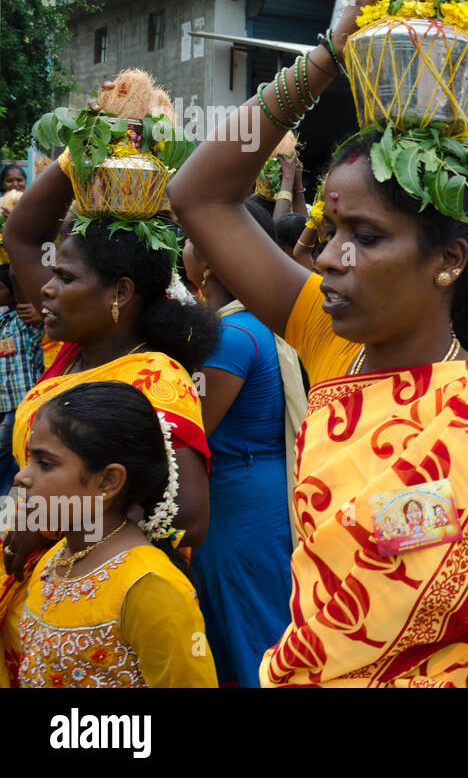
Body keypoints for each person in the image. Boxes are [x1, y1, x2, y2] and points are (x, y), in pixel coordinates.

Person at [168, 0, 468, 687]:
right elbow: (197, 194)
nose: (329, 257)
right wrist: (329, 55)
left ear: (449, 260)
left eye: (364, 235)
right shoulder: (331, 343)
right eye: (330, 229)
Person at [1, 155, 217, 687]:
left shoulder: (154, 377)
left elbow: (189, 515)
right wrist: (83, 149)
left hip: (103, 598)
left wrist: (45, 527)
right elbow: (21, 235)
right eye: (50, 274)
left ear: (119, 293)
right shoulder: (69, 350)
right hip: (45, 580)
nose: (45, 288)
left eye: (65, 277)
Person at [13, 381, 218, 687]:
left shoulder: (149, 585)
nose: (22, 476)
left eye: (44, 463)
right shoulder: (54, 560)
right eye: (29, 459)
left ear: (108, 481)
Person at [181, 203, 306, 688]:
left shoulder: (230, 337)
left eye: (190, 241)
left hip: (238, 505)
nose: (183, 251)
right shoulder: (255, 322)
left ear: (211, 261)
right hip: (263, 491)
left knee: (248, 633)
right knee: (263, 624)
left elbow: (195, 429)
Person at [0, 268, 44, 497]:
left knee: (14, 454)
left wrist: (11, 255)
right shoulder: (3, 322)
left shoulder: (24, 321)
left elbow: (17, 275)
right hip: (3, 406)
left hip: (20, 404)